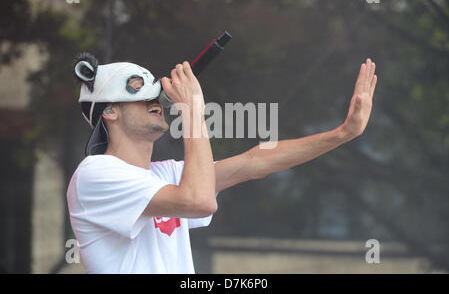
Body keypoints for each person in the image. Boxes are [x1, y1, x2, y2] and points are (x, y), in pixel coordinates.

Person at [67, 53, 378, 273]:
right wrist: (192, 112)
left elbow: (256, 162)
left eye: (155, 97)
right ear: (110, 111)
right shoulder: (95, 174)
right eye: (141, 95)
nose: (156, 103)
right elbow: (199, 200)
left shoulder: (165, 175)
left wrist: (342, 133)